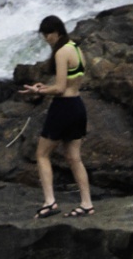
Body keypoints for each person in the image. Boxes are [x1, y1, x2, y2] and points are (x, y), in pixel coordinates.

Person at [23, 14, 93, 219]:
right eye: (44, 35)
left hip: (63, 107)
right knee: (74, 157)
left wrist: (38, 91)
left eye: (48, 34)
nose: (47, 38)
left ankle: (50, 201)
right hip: (78, 106)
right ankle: (87, 203)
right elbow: (70, 84)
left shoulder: (61, 52)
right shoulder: (76, 49)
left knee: (42, 154)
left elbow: (60, 88)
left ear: (57, 31)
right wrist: (45, 87)